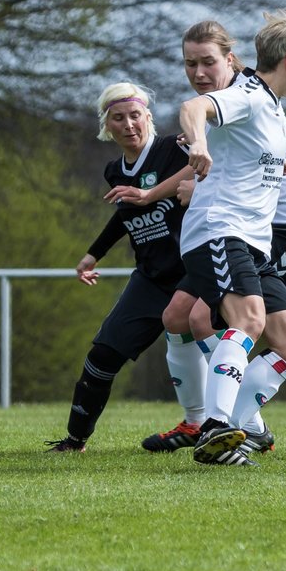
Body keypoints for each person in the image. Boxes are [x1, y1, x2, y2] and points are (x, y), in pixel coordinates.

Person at [141, 19, 286, 452]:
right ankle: (215, 427)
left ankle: (237, 428)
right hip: (220, 231)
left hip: (253, 243)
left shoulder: (272, 108)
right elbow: (194, 109)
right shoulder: (247, 96)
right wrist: (199, 145)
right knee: (243, 320)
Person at [45, 82, 197, 451]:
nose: (129, 124)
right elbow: (125, 213)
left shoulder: (174, 149)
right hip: (150, 278)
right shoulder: (115, 170)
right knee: (103, 355)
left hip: (195, 274)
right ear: (106, 126)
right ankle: (75, 439)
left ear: (148, 116)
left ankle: (230, 428)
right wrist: (93, 254)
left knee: (218, 351)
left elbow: (206, 169)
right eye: (118, 118)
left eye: (135, 115)